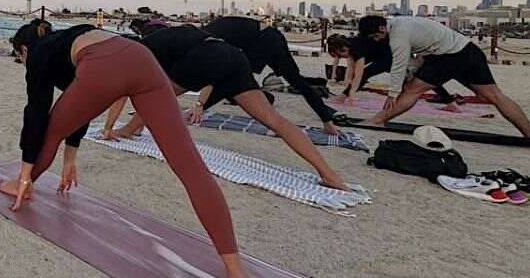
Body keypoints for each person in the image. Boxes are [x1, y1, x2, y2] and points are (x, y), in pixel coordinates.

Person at [0, 23, 260, 278]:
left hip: (104, 64)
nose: (22, 62)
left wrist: (25, 173)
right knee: (190, 165)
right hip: (143, 60)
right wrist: (70, 159)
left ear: (24, 49)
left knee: (48, 134)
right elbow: (81, 101)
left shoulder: (38, 51)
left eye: (19, 57)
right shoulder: (72, 36)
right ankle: (238, 274)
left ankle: (21, 186)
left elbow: (37, 111)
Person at [103, 25, 349, 190]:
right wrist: (200, 102)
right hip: (234, 57)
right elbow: (209, 75)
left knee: (153, 96)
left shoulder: (141, 49)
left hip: (208, 58)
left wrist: (108, 127)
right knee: (274, 120)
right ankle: (328, 174)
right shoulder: (175, 37)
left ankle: (127, 131)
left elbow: (125, 90)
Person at [357, 15, 530, 138]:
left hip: (451, 56)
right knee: (494, 95)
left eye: (376, 36)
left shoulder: (398, 34)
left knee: (412, 90)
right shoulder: (402, 23)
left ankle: (378, 120)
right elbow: (418, 55)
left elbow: (399, 64)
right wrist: (412, 72)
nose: (376, 40)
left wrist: (393, 93)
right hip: (469, 51)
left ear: (382, 27)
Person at [203, 16, 341, 132]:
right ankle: (326, 119)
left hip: (263, 42)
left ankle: (326, 119)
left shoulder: (207, 39)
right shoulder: (210, 32)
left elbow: (216, 74)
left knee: (232, 79)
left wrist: (200, 106)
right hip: (271, 37)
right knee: (297, 81)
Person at [326, 34, 458, 109]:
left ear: (342, 48)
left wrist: (350, 95)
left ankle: (451, 103)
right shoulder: (352, 46)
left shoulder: (356, 48)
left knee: (421, 79)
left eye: (339, 55)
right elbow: (351, 70)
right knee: (420, 79)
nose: (340, 58)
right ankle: (451, 103)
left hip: (391, 56)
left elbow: (360, 74)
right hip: (388, 56)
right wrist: (347, 86)